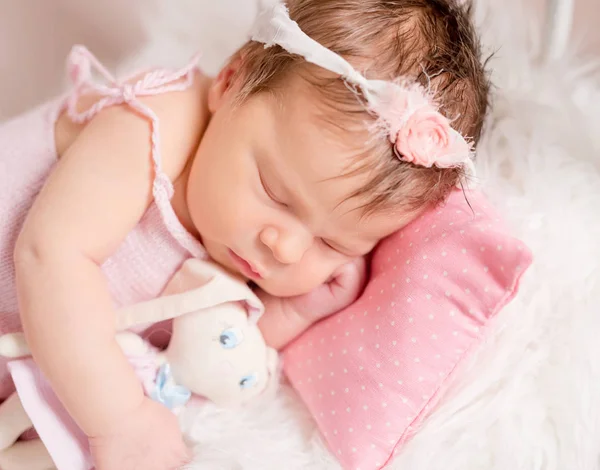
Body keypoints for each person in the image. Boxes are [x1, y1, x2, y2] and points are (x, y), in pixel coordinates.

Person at [0, 0, 489, 468]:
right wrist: (120, 420)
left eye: (332, 244)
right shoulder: (156, 126)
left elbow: (200, 340)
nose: (286, 247)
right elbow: (51, 255)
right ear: (231, 83)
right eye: (276, 193)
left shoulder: (236, 224)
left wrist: (289, 312)